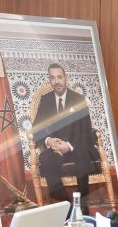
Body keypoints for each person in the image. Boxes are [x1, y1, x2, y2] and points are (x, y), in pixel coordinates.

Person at [32, 63, 98, 209]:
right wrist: (49, 141)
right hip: (55, 149)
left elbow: (86, 130)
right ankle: (65, 205)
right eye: (52, 78)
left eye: (59, 77)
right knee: (45, 159)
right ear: (49, 80)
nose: (56, 81)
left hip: (76, 147)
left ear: (65, 78)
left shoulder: (79, 99)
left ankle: (82, 206)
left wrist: (69, 146)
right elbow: (36, 128)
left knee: (83, 157)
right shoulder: (46, 100)